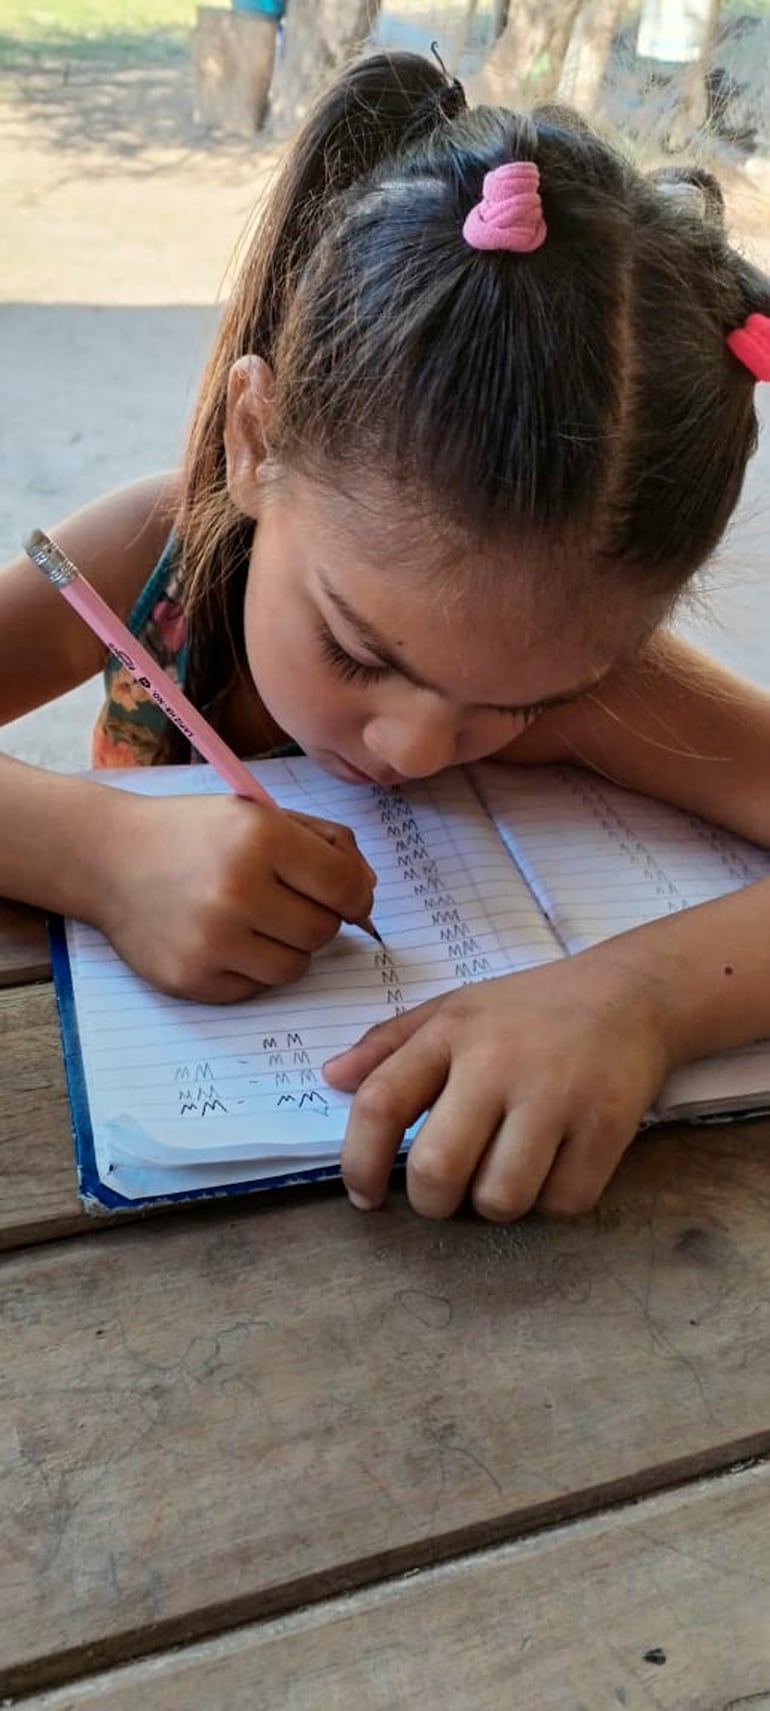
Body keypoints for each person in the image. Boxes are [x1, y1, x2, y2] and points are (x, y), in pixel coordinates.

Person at [2, 52, 770, 1225]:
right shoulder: (155, 552)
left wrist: (635, 1001)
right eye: (360, 653)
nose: (414, 743)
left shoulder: (574, 648)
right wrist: (90, 853)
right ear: (257, 441)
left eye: (509, 705)